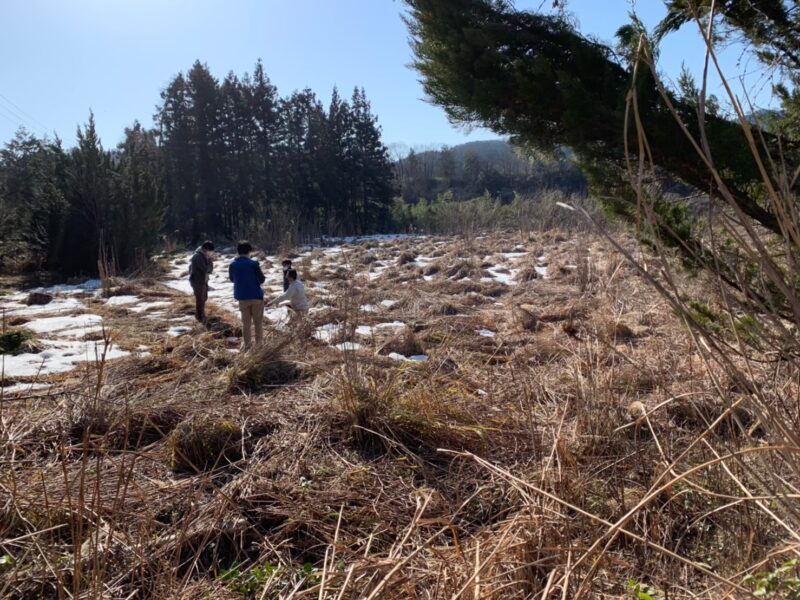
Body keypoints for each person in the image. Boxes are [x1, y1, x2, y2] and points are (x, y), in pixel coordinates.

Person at [228, 241, 266, 350]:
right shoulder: (253, 264)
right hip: (256, 296)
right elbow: (261, 279)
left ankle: (247, 346)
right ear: (249, 251)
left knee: (246, 324)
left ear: (238, 251)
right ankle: (259, 346)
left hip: (242, 297)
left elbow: (232, 279)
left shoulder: (233, 265)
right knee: (258, 323)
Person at [189, 241, 214, 323]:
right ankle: (200, 317)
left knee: (204, 298)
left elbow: (209, 271)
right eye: (210, 250)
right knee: (200, 300)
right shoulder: (198, 256)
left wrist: (209, 261)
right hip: (197, 281)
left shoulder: (203, 255)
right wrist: (210, 260)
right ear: (205, 249)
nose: (211, 252)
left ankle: (200, 315)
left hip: (203, 280)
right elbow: (206, 269)